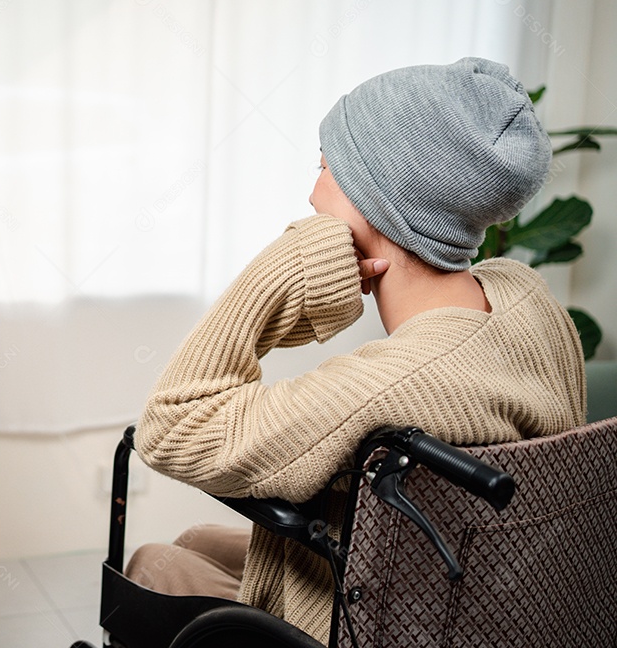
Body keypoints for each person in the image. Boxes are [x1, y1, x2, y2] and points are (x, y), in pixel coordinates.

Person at [126, 57, 586, 644]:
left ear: (377, 202)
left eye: (324, 167)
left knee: (150, 562)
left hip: (370, 623)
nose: (311, 192)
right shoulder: (528, 302)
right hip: (473, 602)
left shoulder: (389, 387)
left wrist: (282, 273)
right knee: (194, 541)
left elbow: (167, 429)